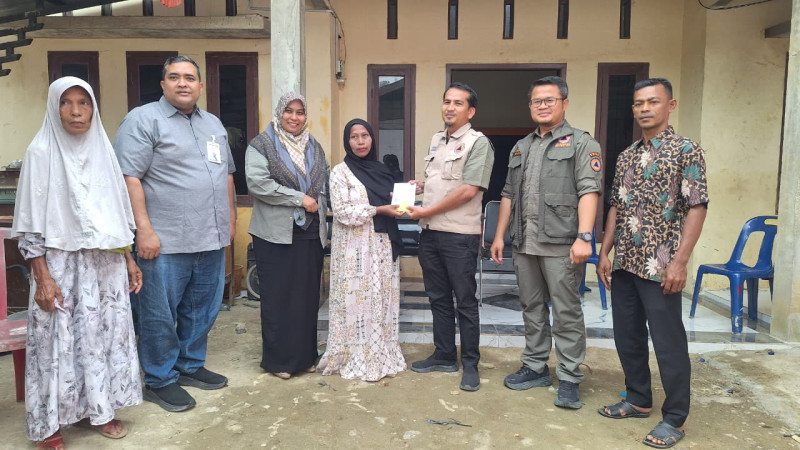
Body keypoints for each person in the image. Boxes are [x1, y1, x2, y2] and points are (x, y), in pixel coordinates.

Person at [12, 77, 142, 449]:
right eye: (66, 102)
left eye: (83, 102)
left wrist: (129, 260)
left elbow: (117, 215)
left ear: (93, 108)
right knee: (56, 343)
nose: (75, 111)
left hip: (105, 265)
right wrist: (42, 278)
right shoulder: (40, 152)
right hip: (58, 264)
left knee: (102, 337)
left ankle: (99, 410)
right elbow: (30, 223)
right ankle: (49, 424)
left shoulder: (103, 150)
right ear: (54, 108)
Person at [114, 55, 235, 412]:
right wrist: (143, 230)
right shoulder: (143, 120)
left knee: (203, 308)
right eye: (175, 77)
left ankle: (190, 365)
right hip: (164, 241)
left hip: (210, 236)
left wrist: (229, 219)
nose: (183, 83)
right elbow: (129, 177)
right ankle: (160, 378)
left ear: (201, 86)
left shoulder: (213, 123)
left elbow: (227, 174)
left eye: (190, 78)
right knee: (158, 314)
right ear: (163, 84)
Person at [597, 78, 708, 449]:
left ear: (670, 105)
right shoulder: (626, 155)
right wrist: (604, 252)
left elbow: (697, 207)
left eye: (653, 101)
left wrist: (680, 262)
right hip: (626, 262)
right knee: (627, 336)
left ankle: (675, 417)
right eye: (639, 103)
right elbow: (616, 206)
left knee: (667, 342)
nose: (645, 108)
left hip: (661, 265)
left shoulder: (686, 150)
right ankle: (638, 399)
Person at [490, 76, 601, 409]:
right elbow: (508, 193)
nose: (542, 106)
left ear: (564, 103)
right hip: (525, 243)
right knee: (531, 307)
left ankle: (569, 377)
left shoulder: (582, 143)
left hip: (561, 244)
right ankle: (535, 366)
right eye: (536, 101)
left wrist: (584, 236)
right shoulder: (521, 146)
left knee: (566, 312)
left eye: (549, 100)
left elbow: (589, 191)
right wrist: (499, 235)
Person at [406, 82, 494, 392]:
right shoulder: (436, 140)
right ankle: (444, 355)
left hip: (459, 236)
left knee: (465, 302)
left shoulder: (478, 143)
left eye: (458, 103)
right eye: (447, 101)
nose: (450, 107)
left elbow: (468, 190)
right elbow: (443, 182)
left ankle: (470, 363)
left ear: (470, 111)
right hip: (430, 234)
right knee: (438, 298)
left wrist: (426, 210)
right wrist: (422, 187)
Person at [245, 92, 329, 380]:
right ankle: (279, 361)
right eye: (288, 111)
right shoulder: (261, 145)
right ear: (279, 113)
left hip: (311, 233)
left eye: (300, 112)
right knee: (278, 296)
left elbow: (326, 183)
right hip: (274, 234)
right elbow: (258, 183)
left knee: (307, 297)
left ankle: (305, 357)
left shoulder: (315, 147)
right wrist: (299, 198)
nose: (294, 117)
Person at [317, 118, 407, 381]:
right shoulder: (340, 172)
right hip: (355, 250)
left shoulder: (382, 170)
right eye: (354, 137)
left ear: (372, 138)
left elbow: (394, 200)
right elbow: (342, 212)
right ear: (347, 141)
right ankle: (354, 355)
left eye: (364, 136)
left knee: (380, 301)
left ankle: (380, 353)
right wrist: (378, 210)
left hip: (382, 245)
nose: (360, 142)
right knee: (357, 302)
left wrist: (409, 192)